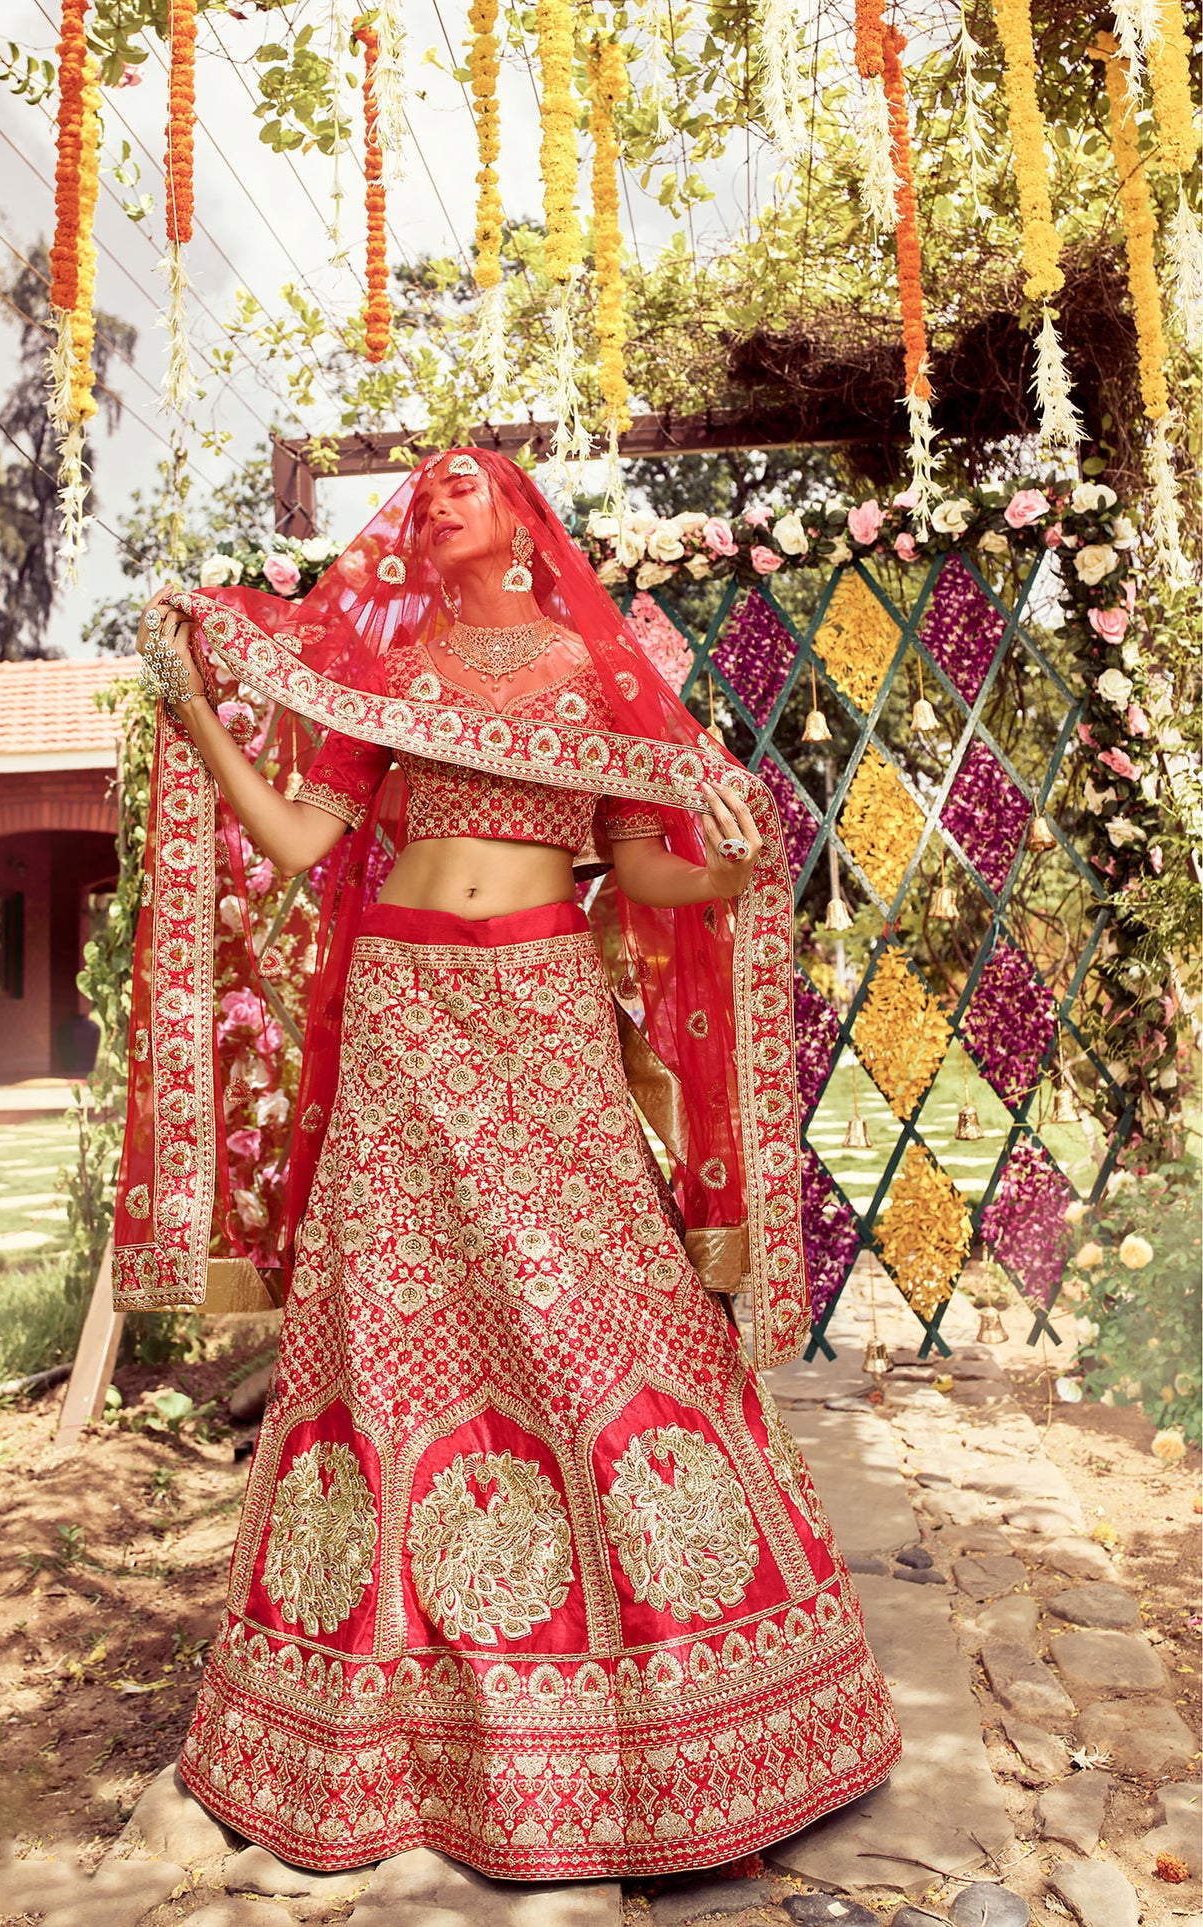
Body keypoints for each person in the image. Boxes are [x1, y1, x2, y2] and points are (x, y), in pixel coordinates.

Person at [124, 448, 901, 1880]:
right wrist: (198, 716)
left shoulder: (598, 668)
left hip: (539, 1000)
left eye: (463, 482)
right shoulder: (388, 673)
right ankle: (380, 1723)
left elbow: (644, 869)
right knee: (395, 1330)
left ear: (526, 517)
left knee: (590, 1305)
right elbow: (300, 844)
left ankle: (671, 1707)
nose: (434, 498)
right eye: (420, 490)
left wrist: (733, 861)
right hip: (404, 1007)